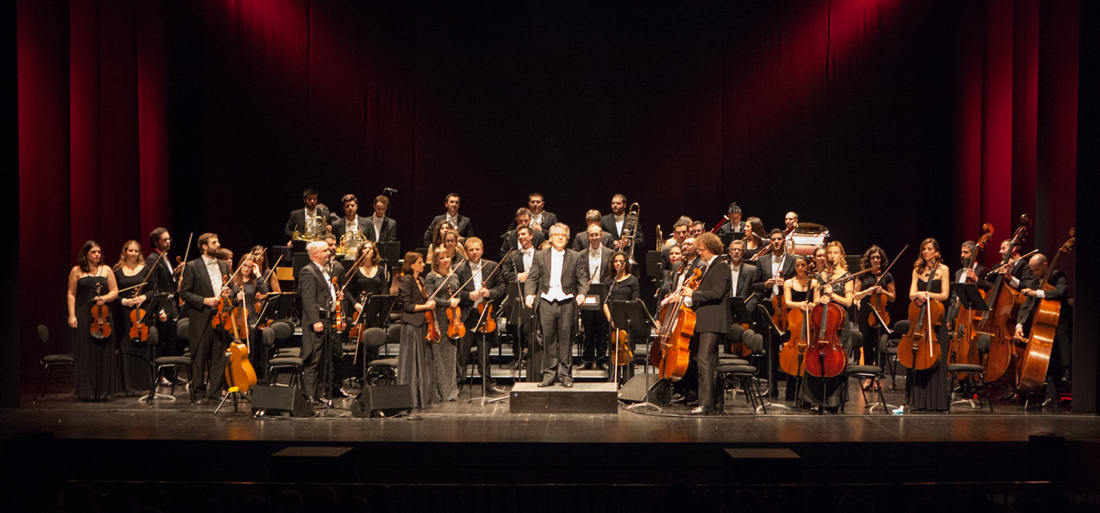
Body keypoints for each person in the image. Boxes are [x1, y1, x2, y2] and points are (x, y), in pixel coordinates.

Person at [524, 223, 589, 387]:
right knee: (548, 339)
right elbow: (532, 278)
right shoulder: (540, 255)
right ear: (551, 237)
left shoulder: (575, 256)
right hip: (546, 301)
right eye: (557, 234)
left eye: (563, 235)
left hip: (566, 302)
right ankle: (548, 375)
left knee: (566, 340)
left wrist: (582, 293)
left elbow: (582, 279)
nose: (560, 237)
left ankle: (566, 376)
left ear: (567, 239)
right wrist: (529, 295)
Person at [678, 232, 730, 415]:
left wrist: (693, 294)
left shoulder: (721, 266)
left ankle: (705, 404)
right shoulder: (710, 267)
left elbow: (717, 294)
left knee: (704, 361)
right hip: (706, 320)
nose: (699, 253)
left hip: (712, 322)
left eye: (700, 250)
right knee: (710, 363)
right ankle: (715, 404)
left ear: (708, 249)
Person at [800, 241, 854, 413]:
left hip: (838, 326)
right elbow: (815, 301)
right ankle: (814, 398)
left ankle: (832, 401)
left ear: (841, 255)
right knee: (815, 357)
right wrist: (821, 299)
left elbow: (848, 302)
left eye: (835, 253)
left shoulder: (847, 276)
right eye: (829, 253)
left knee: (835, 362)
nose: (831, 256)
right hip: (822, 325)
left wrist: (833, 296)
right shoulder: (819, 277)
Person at [179, 233, 232, 404]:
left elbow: (228, 286)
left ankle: (215, 393)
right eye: (214, 242)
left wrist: (229, 292)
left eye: (218, 241)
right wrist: (204, 300)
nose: (218, 244)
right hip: (201, 316)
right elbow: (184, 293)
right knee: (200, 356)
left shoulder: (224, 265)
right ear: (204, 246)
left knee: (219, 356)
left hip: (221, 316)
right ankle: (199, 394)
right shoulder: (192, 266)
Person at [1015, 252, 1072, 406]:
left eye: (1036, 270)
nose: (1034, 274)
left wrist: (1038, 293)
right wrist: (1019, 325)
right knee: (1049, 356)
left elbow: (1060, 292)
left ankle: (1068, 370)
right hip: (1044, 322)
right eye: (1032, 271)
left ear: (1045, 265)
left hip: (1061, 318)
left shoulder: (1057, 275)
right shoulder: (1034, 282)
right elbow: (1025, 306)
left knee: (1060, 332)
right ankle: (1051, 396)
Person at [67, 241, 119, 401]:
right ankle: (86, 392)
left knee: (103, 351)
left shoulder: (107, 270)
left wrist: (104, 297)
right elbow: (71, 294)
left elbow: (115, 291)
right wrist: (72, 315)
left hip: (103, 315)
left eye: (99, 252)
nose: (97, 255)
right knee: (86, 353)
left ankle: (103, 392)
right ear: (86, 254)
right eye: (93, 252)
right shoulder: (76, 271)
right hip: (83, 315)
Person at [455, 237, 507, 395]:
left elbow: (502, 287)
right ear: (466, 252)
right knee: (462, 352)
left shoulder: (491, 266)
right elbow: (455, 291)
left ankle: (487, 384)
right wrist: (467, 295)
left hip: (486, 314)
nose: (474, 252)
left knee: (484, 352)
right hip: (467, 315)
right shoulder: (459, 268)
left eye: (477, 249)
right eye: (471, 250)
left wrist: (490, 292)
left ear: (482, 250)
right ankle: (458, 384)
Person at [904, 238, 951, 412]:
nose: (925, 252)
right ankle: (919, 401)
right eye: (923, 249)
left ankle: (936, 402)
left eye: (929, 249)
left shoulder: (943, 270)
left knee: (935, 360)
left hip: (936, 321)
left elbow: (945, 295)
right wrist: (920, 294)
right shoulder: (917, 270)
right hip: (921, 320)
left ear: (937, 253)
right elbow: (911, 294)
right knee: (919, 357)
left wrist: (927, 295)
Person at [297, 241, 343, 405]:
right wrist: (315, 320)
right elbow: (308, 300)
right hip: (316, 322)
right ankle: (308, 396)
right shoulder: (308, 271)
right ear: (315, 254)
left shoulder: (324, 271)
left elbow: (324, 294)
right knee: (313, 359)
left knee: (324, 360)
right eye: (325, 250)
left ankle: (317, 395)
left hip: (326, 319)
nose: (328, 252)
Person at [112, 240, 153, 394]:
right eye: (130, 251)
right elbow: (114, 293)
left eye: (136, 251)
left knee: (142, 345)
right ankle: (127, 386)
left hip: (141, 312)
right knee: (125, 345)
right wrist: (124, 301)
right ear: (125, 252)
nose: (133, 254)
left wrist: (142, 298)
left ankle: (143, 385)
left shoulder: (146, 270)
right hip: (123, 314)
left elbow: (153, 290)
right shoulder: (117, 271)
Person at [397, 252, 436, 408]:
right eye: (420, 262)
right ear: (412, 264)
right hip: (411, 326)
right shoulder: (407, 280)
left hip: (421, 325)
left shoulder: (420, 280)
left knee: (423, 361)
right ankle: (412, 398)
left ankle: (422, 397)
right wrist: (426, 306)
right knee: (412, 362)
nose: (423, 264)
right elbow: (407, 306)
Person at [423, 247, 462, 402]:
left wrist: (456, 300)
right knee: (439, 355)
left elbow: (457, 294)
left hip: (453, 319)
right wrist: (448, 302)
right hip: (439, 317)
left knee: (451, 356)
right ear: (436, 261)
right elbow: (431, 298)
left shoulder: (455, 275)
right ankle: (441, 392)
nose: (446, 260)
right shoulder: (431, 277)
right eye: (442, 258)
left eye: (447, 257)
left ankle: (451, 390)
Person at [145, 228, 181, 385]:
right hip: (162, 306)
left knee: (172, 339)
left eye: (169, 239)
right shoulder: (152, 259)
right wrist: (159, 309)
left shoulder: (165, 258)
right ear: (156, 242)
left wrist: (176, 273)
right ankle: (159, 375)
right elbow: (154, 286)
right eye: (164, 240)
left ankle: (169, 372)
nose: (168, 242)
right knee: (161, 340)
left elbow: (167, 281)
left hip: (171, 305)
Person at [853, 245, 896, 375]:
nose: (876, 260)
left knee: (879, 345)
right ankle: (868, 375)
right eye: (873, 258)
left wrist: (883, 291)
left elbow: (893, 297)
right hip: (866, 313)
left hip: (881, 314)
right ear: (869, 260)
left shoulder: (887, 275)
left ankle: (879, 373)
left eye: (878, 257)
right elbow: (855, 295)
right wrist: (867, 292)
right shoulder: (862, 275)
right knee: (866, 344)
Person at [580, 225, 617, 370]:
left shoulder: (610, 253)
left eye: (597, 235)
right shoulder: (581, 254)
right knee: (588, 328)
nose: (594, 238)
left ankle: (602, 359)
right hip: (587, 294)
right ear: (587, 237)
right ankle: (587, 359)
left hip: (604, 293)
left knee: (602, 328)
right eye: (591, 235)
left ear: (602, 235)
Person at [603, 252, 641, 383]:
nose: (618, 263)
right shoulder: (609, 281)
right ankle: (613, 382)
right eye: (615, 261)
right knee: (613, 351)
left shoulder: (633, 280)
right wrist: (610, 319)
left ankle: (627, 383)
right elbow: (604, 302)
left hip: (628, 319)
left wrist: (626, 318)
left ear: (625, 263)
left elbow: (635, 301)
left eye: (621, 261)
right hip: (612, 320)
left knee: (627, 352)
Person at [783, 257, 814, 406]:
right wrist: (799, 304)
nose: (800, 267)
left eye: (803, 265)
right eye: (797, 265)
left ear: (808, 266)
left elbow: (818, 302)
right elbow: (788, 303)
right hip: (794, 324)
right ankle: (791, 395)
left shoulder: (814, 283)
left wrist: (810, 305)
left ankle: (807, 396)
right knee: (793, 358)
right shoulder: (788, 282)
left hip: (809, 325)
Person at [331, 194, 370, 259]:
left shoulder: (368, 223)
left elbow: (372, 244)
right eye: (347, 206)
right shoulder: (336, 225)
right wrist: (339, 247)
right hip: (343, 260)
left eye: (352, 205)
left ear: (356, 206)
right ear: (343, 208)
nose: (350, 208)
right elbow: (333, 245)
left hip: (362, 260)